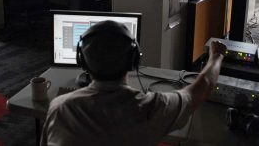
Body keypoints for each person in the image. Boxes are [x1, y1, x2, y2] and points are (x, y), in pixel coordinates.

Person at [41, 20, 226, 146]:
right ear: (134, 60)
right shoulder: (151, 109)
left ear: (82, 61)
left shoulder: (59, 109)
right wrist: (216, 55)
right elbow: (201, 89)